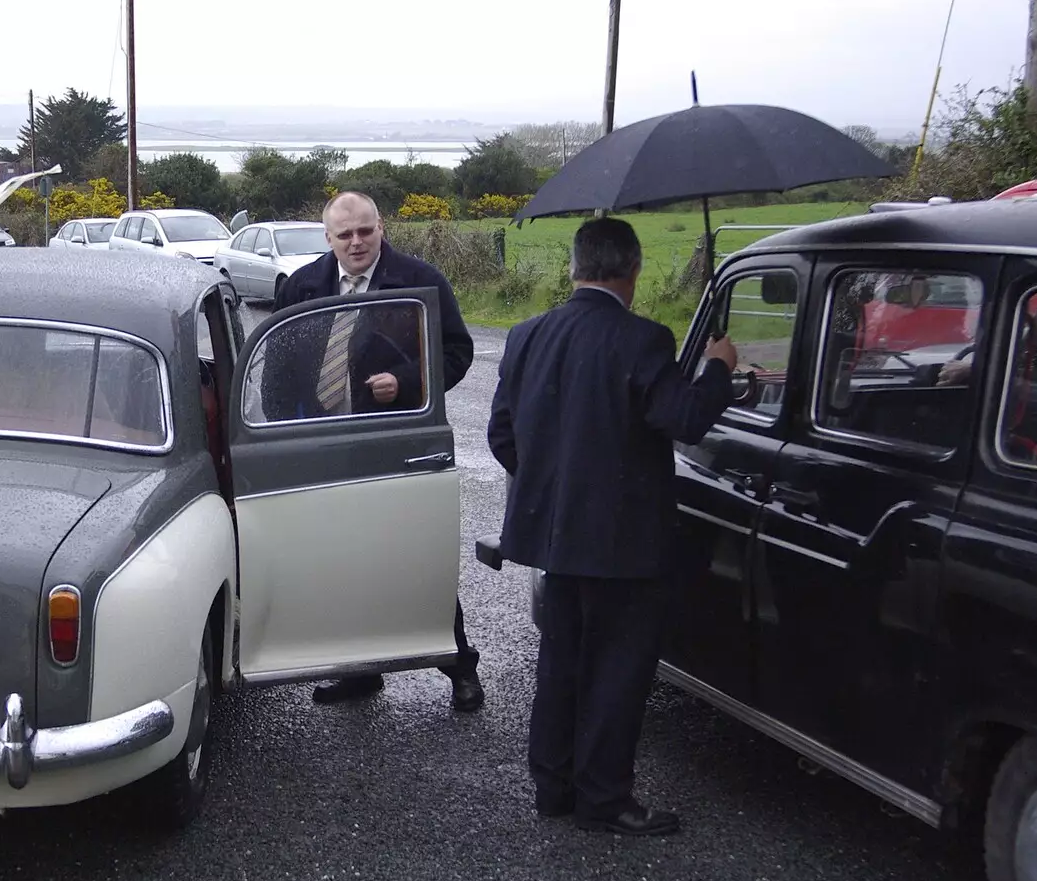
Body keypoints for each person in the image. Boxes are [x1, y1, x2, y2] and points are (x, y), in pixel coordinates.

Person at [487, 216, 737, 836]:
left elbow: (500, 434)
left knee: (562, 663)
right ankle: (604, 798)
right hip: (626, 544)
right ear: (633, 269)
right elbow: (684, 419)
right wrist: (719, 369)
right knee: (617, 673)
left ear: (575, 267)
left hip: (556, 538)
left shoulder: (525, 335)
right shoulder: (645, 340)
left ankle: (553, 788)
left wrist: (552, 484)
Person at [271, 190, 484, 713]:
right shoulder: (303, 285)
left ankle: (459, 665)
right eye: (344, 234)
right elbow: (276, 367)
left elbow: (458, 352)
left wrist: (407, 381)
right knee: (343, 562)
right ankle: (359, 672)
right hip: (324, 447)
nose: (356, 241)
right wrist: (285, 439)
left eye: (365, 230)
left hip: (397, 444)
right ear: (328, 238)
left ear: (380, 226)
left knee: (416, 559)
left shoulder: (421, 281)